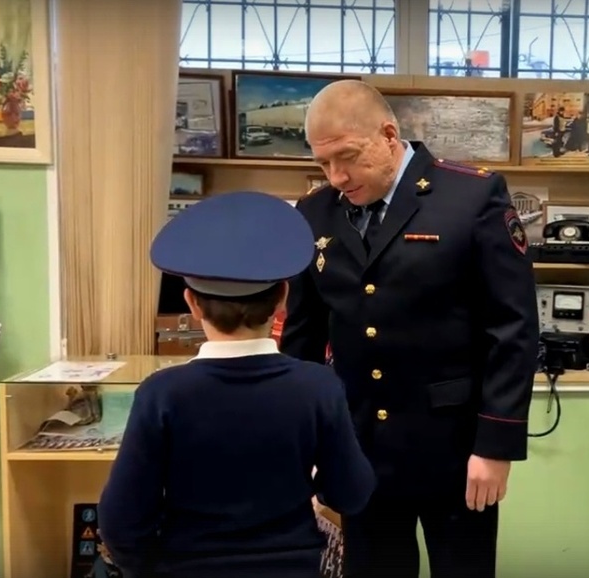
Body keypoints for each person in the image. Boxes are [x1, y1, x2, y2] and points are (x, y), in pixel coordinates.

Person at [282, 79, 539, 578]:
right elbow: (303, 338)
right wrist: (306, 439)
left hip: (454, 447)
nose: (336, 176)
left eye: (347, 157)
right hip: (359, 449)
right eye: (323, 163)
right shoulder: (315, 213)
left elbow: (513, 329)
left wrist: (496, 445)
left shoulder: (471, 197)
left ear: (387, 135)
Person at [98, 191, 376, 578]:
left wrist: (147, 567)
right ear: (283, 299)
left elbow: (121, 518)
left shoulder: (162, 393)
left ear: (192, 304)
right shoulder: (319, 387)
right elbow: (353, 492)